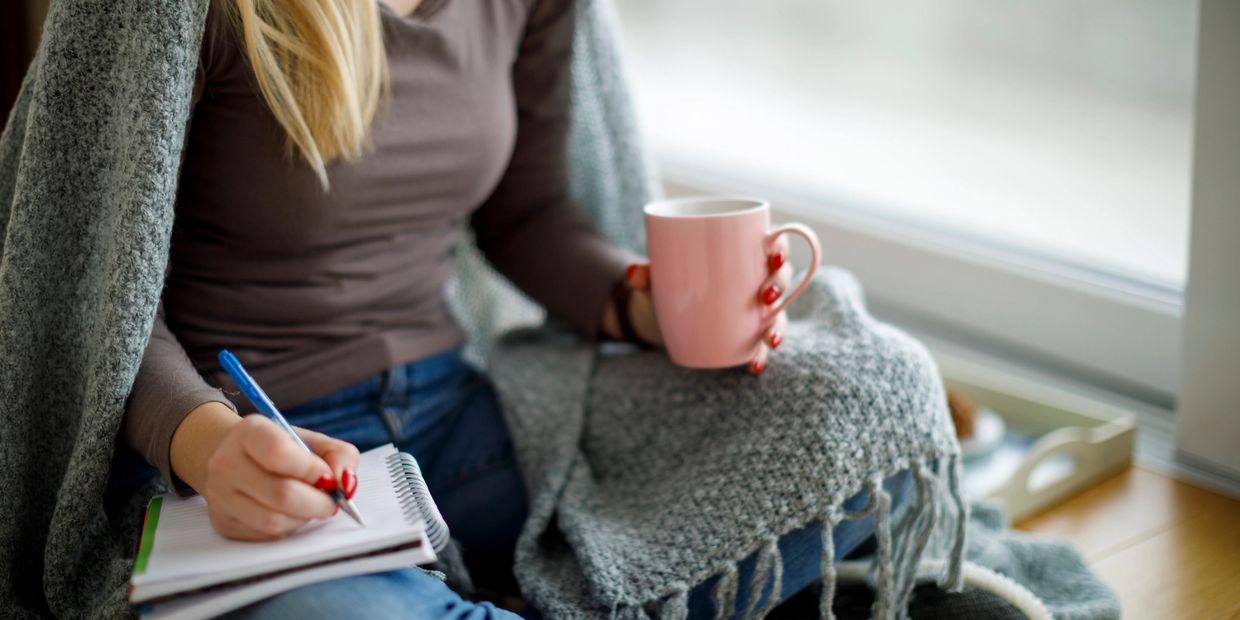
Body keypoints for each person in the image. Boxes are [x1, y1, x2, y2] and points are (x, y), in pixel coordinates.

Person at [112, 0, 907, 617]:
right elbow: (89, 292)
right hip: (268, 453)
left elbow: (527, 215)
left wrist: (645, 308)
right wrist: (205, 444)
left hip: (461, 420)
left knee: (874, 411)